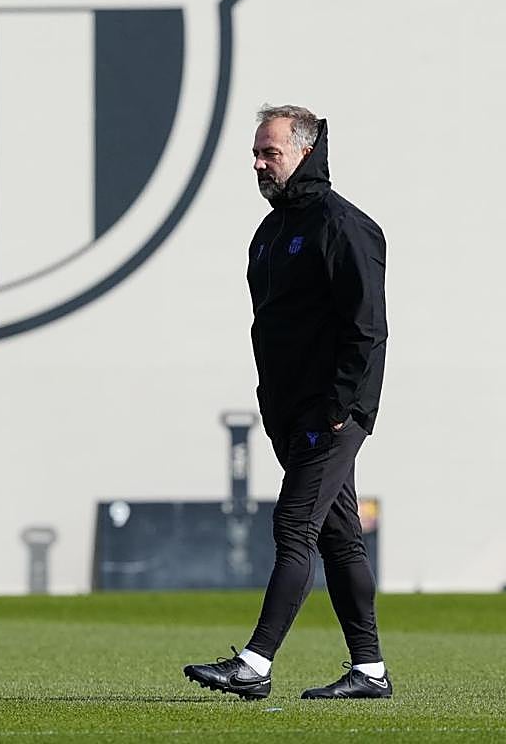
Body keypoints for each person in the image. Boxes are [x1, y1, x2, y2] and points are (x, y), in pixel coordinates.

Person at [183, 105, 390, 700]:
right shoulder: (270, 234)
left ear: (304, 152)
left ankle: (255, 663)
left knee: (294, 523)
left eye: (269, 152)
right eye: (255, 153)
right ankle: (370, 670)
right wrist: (272, 400)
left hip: (331, 412)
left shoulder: (343, 225)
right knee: (339, 538)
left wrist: (341, 405)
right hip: (291, 410)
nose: (258, 164)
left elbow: (367, 327)